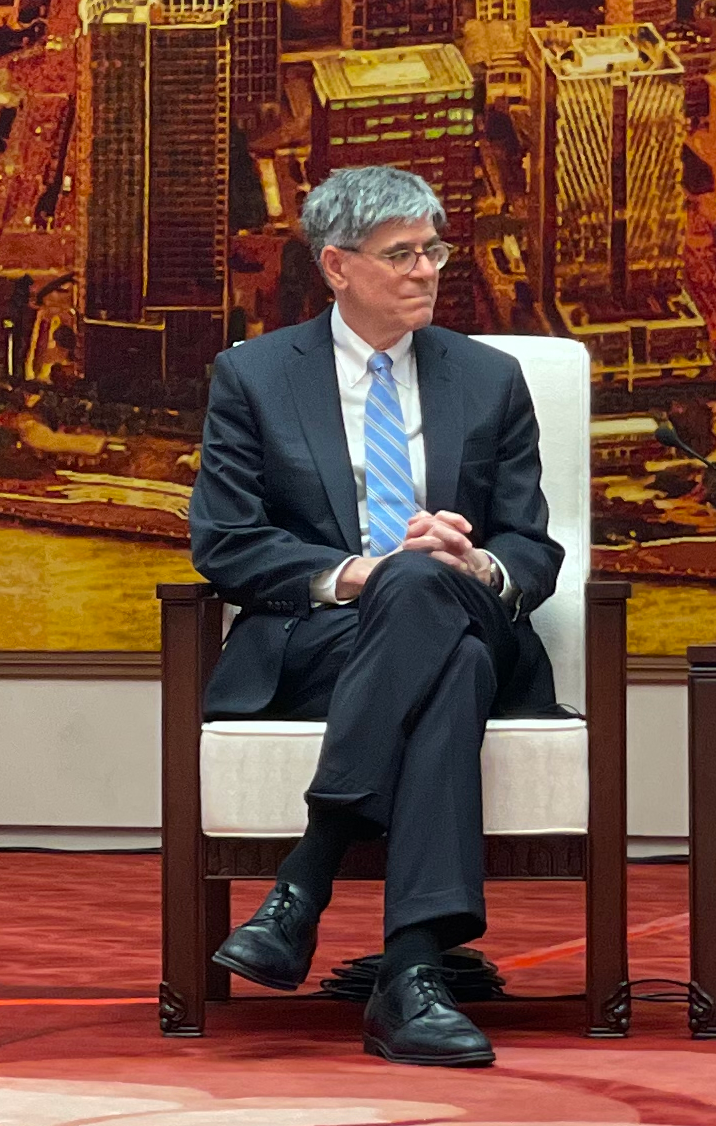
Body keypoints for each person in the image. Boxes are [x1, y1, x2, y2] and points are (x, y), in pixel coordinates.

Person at [190, 166, 564, 1067]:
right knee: (443, 645)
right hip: (324, 639)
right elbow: (226, 543)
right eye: (401, 254)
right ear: (336, 266)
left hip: (464, 608)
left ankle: (304, 882)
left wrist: (474, 561)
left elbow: (534, 548)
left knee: (430, 590)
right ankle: (413, 974)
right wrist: (361, 572)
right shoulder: (254, 378)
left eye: (434, 249)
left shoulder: (489, 377)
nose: (427, 269)